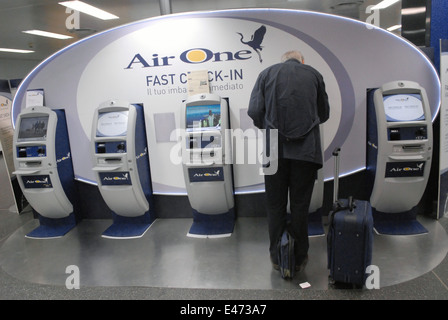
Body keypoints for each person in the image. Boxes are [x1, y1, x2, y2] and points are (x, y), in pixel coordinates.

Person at [247, 50, 330, 272]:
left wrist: (267, 128)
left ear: (281, 60)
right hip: (305, 153)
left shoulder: (266, 74)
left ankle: (277, 257)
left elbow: (254, 110)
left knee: (275, 205)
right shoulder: (314, 74)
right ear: (301, 61)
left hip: (273, 151)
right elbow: (325, 114)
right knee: (300, 205)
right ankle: (300, 256)